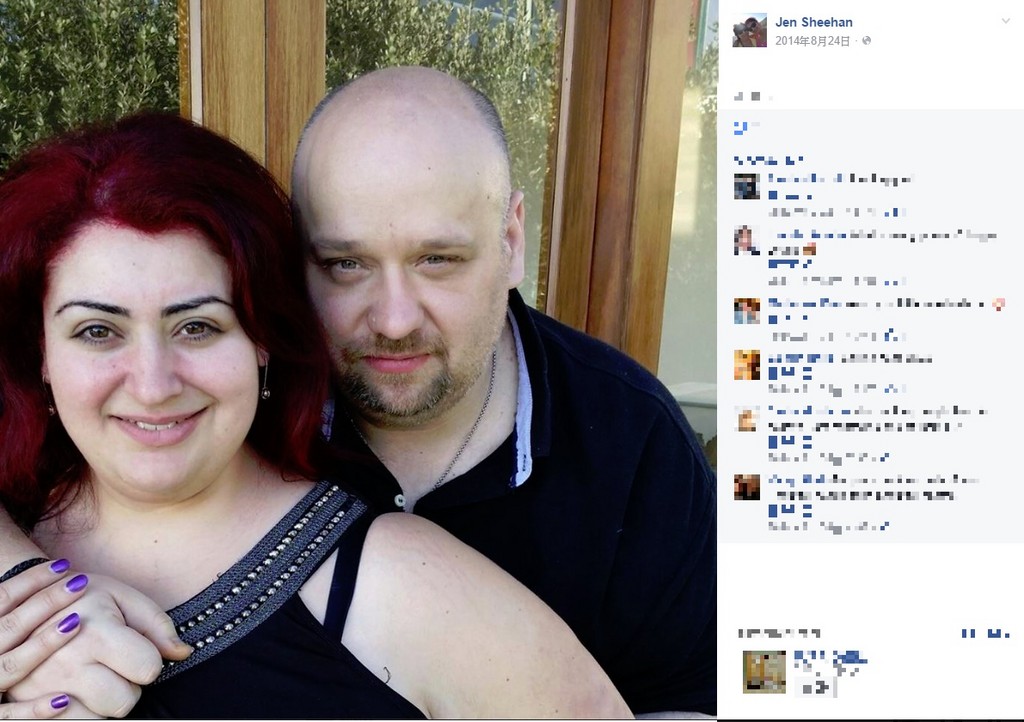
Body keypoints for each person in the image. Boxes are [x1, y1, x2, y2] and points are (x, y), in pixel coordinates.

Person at [2, 66, 716, 716]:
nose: (394, 319)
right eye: (346, 264)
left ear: (510, 239)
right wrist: (26, 591)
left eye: (438, 259)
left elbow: (704, 693)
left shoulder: (629, 437)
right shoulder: (75, 458)